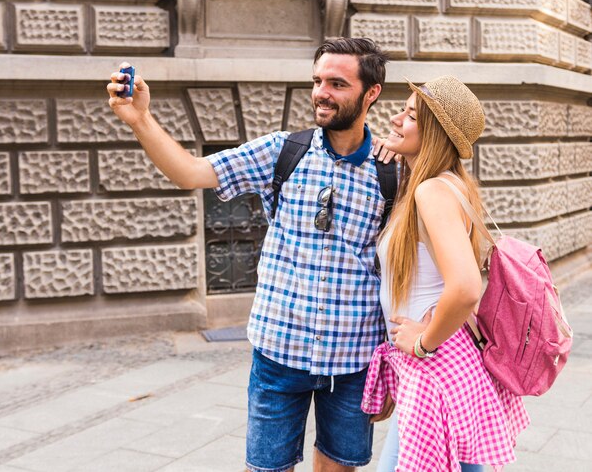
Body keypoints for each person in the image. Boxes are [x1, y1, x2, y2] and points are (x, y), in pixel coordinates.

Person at [107, 37, 395, 472]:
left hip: (353, 359)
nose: (321, 93)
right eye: (317, 81)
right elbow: (190, 172)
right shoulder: (283, 151)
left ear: (371, 93)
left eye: (337, 84)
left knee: (339, 467)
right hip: (279, 352)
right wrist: (140, 119)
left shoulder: (391, 169)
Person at [364, 76, 529, 472]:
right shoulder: (449, 184)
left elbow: (467, 287)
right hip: (449, 362)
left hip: (435, 365)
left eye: (410, 115)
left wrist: (422, 342)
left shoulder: (432, 192)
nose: (396, 118)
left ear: (435, 133)